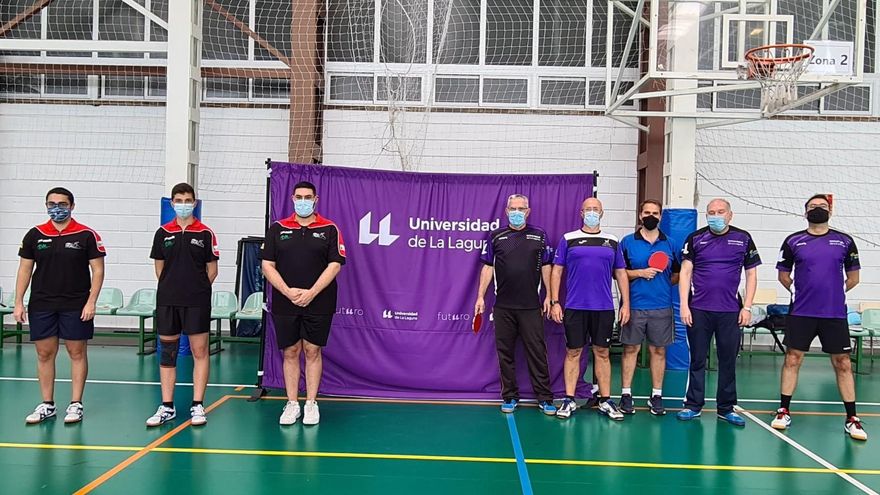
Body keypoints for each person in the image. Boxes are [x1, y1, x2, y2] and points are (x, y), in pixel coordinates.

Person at [772, 194, 866, 441]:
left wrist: (834, 293)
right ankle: (783, 411)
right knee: (793, 359)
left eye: (822, 207)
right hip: (801, 312)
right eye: (813, 207)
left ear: (830, 211)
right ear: (805, 212)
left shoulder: (844, 241)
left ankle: (852, 418)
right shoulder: (793, 241)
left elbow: (853, 278)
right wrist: (799, 291)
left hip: (833, 313)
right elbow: (783, 275)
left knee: (843, 362)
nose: (817, 210)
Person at [15, 187, 106, 424]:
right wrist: (18, 302)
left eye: (62, 204)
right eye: (51, 204)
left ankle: (76, 404)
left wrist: (91, 302)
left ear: (72, 206)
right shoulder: (35, 235)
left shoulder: (86, 235)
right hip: (42, 303)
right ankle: (47, 404)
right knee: (44, 353)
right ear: (46, 206)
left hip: (76, 304)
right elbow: (25, 269)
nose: (57, 208)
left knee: (76, 352)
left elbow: (98, 270)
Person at [262, 181, 346, 426]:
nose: (303, 201)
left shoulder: (329, 229)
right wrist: (288, 291)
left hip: (319, 301)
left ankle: (310, 403)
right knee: (290, 351)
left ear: (316, 200)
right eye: (299, 197)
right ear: (292, 199)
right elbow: (267, 265)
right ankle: (291, 403)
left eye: (308, 197)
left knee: (312, 350)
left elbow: (335, 264)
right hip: (285, 301)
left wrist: (312, 292)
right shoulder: (277, 229)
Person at [678, 198, 759, 427]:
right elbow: (685, 273)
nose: (716, 215)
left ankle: (726, 408)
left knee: (727, 361)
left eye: (720, 211)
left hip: (730, 311)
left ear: (730, 215)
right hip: (698, 310)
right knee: (697, 360)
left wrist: (748, 306)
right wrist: (684, 305)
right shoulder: (695, 239)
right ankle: (693, 405)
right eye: (711, 212)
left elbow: (751, 274)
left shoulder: (743, 238)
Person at [475, 194, 557, 415]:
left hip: (531, 306)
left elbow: (547, 267)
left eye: (522, 208)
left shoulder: (539, 236)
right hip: (503, 307)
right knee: (505, 353)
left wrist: (550, 295)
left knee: (537, 352)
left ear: (528, 211)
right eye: (513, 208)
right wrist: (480, 296)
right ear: (506, 210)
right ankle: (510, 396)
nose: (517, 212)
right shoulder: (496, 236)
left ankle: (545, 398)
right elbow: (487, 267)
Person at [146, 183, 219, 427]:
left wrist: (195, 290)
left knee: (200, 352)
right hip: (167, 302)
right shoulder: (162, 233)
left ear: (195, 203)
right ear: (172, 203)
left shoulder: (206, 234)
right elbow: (159, 267)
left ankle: (198, 405)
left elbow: (212, 270)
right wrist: (171, 288)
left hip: (197, 302)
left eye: (188, 200)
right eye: (179, 200)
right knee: (167, 353)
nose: (184, 204)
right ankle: (167, 406)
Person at [550, 197, 630, 421]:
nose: (592, 212)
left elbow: (621, 273)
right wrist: (555, 302)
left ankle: (605, 400)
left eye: (596, 209)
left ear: (602, 213)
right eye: (588, 209)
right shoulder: (569, 239)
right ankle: (569, 399)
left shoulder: (612, 241)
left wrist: (626, 303)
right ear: (581, 213)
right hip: (575, 306)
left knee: (602, 353)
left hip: (603, 307)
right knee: (573, 352)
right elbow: (556, 270)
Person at [618, 199, 680, 416]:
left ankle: (656, 395)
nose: (651, 216)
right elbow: (619, 273)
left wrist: (661, 283)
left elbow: (677, 274)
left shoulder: (670, 244)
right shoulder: (627, 242)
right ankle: (626, 395)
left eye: (655, 213)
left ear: (661, 217)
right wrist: (640, 273)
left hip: (662, 307)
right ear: (640, 216)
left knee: (658, 351)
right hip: (634, 306)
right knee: (630, 349)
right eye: (647, 212)